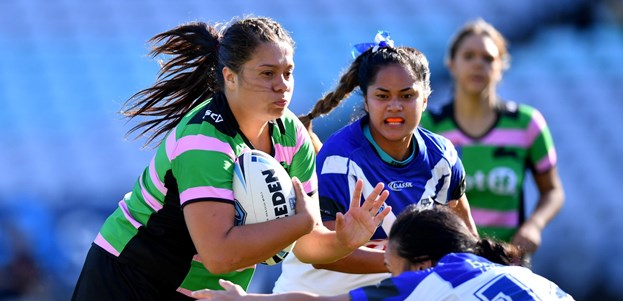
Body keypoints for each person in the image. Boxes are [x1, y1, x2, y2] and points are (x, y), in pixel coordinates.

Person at [71, 16, 392, 301]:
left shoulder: (293, 137)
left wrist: (344, 240)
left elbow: (306, 243)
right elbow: (219, 255)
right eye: (267, 73)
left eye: (288, 73)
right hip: (131, 278)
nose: (282, 86)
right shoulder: (204, 139)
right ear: (230, 77)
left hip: (209, 292)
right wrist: (298, 223)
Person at [273, 31, 478, 296]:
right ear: (367, 101)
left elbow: (466, 238)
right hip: (316, 293)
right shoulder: (339, 160)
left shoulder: (443, 156)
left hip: (392, 290)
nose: (395, 106)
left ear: (425, 99)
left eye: (407, 96)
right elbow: (322, 255)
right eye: (382, 96)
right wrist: (406, 263)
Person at [192, 205, 574, 301]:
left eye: (391, 268)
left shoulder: (431, 281)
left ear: (421, 265)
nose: (392, 278)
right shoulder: (523, 276)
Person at [420, 19, 565, 256]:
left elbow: (553, 191)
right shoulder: (428, 126)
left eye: (487, 58)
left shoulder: (526, 123)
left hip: (506, 260)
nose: (478, 64)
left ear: (501, 67)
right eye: (469, 56)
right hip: (445, 258)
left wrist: (534, 226)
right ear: (451, 64)